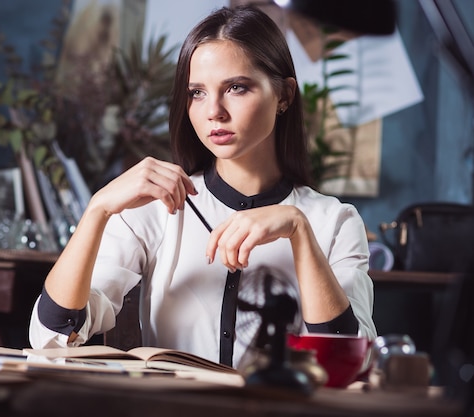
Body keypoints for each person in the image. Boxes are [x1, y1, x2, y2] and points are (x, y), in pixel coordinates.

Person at [29, 5, 376, 370]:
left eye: (236, 88)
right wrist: (98, 209)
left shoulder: (333, 222)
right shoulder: (156, 210)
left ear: (285, 96)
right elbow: (51, 337)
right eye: (197, 92)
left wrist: (299, 232)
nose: (214, 111)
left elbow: (351, 364)